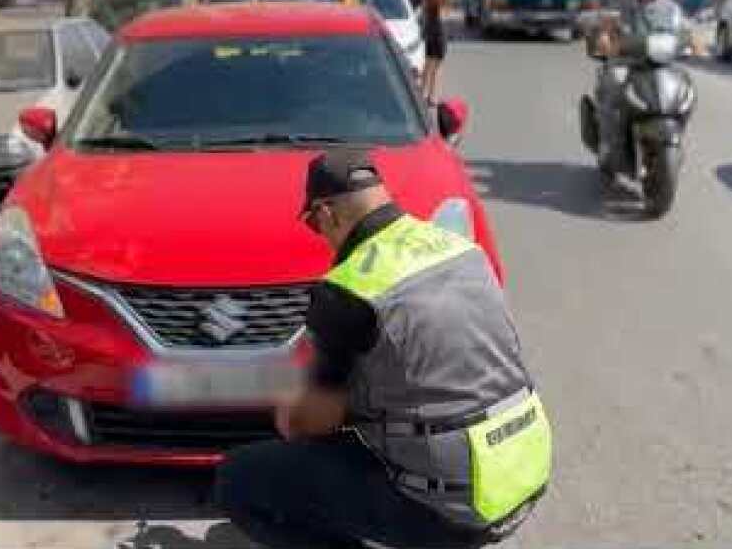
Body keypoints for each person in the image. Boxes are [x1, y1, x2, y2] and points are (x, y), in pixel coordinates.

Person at [216, 149, 551, 549]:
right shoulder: (459, 248)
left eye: (312, 224)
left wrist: (288, 405)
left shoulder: (349, 288)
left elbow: (311, 423)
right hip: (522, 473)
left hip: (449, 509)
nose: (319, 235)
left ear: (326, 213)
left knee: (239, 479)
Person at [593, 0, 683, 173]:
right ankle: (607, 143)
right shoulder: (623, 5)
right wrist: (605, 37)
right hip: (626, 61)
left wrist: (692, 42)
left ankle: (673, 136)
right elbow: (606, 23)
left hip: (658, 64)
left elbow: (682, 30)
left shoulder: (670, 7)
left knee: (682, 88)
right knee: (612, 87)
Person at [421, 0, 449, 102]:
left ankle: (422, 92)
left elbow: (425, 13)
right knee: (436, 65)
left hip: (430, 30)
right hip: (438, 31)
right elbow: (441, 15)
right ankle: (432, 96)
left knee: (428, 63)